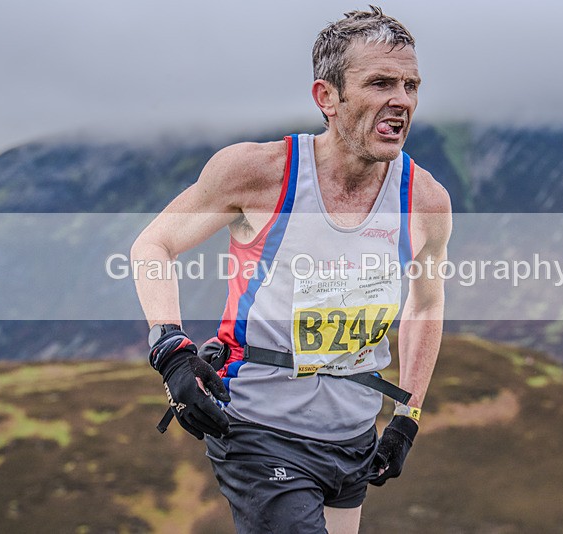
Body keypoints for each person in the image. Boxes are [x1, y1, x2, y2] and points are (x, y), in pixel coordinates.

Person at [132, 6, 451, 533]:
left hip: (352, 435)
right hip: (259, 426)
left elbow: (426, 303)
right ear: (327, 97)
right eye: (380, 83)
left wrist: (407, 418)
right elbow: (154, 245)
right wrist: (171, 351)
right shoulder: (258, 173)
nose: (402, 100)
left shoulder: (425, 201)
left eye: (411, 85)